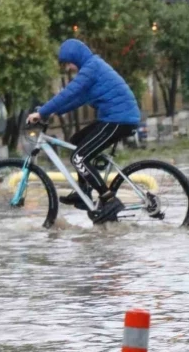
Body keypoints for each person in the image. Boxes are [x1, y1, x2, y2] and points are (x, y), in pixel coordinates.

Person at [26, 39, 141, 224]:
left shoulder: (91, 68)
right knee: (76, 140)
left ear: (76, 57)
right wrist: (52, 111)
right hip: (115, 118)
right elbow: (77, 98)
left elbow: (69, 92)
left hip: (119, 119)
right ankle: (83, 191)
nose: (69, 68)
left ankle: (109, 199)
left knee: (78, 158)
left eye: (69, 62)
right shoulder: (92, 67)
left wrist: (41, 112)